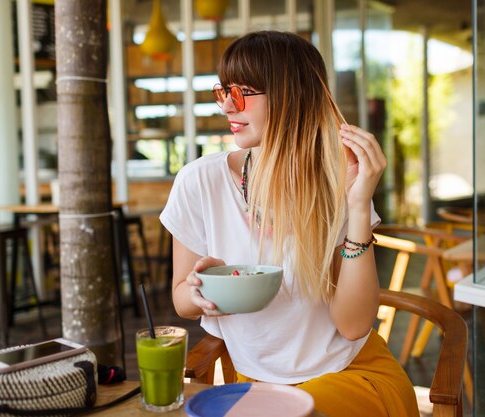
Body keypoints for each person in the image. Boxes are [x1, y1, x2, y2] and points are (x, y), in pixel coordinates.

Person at [160, 30, 419, 417]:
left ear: (290, 98)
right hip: (256, 388)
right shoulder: (199, 181)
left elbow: (352, 326)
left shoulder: (336, 183)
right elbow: (182, 300)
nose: (227, 107)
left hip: (350, 375)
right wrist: (202, 294)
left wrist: (359, 205)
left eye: (243, 91)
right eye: (224, 91)